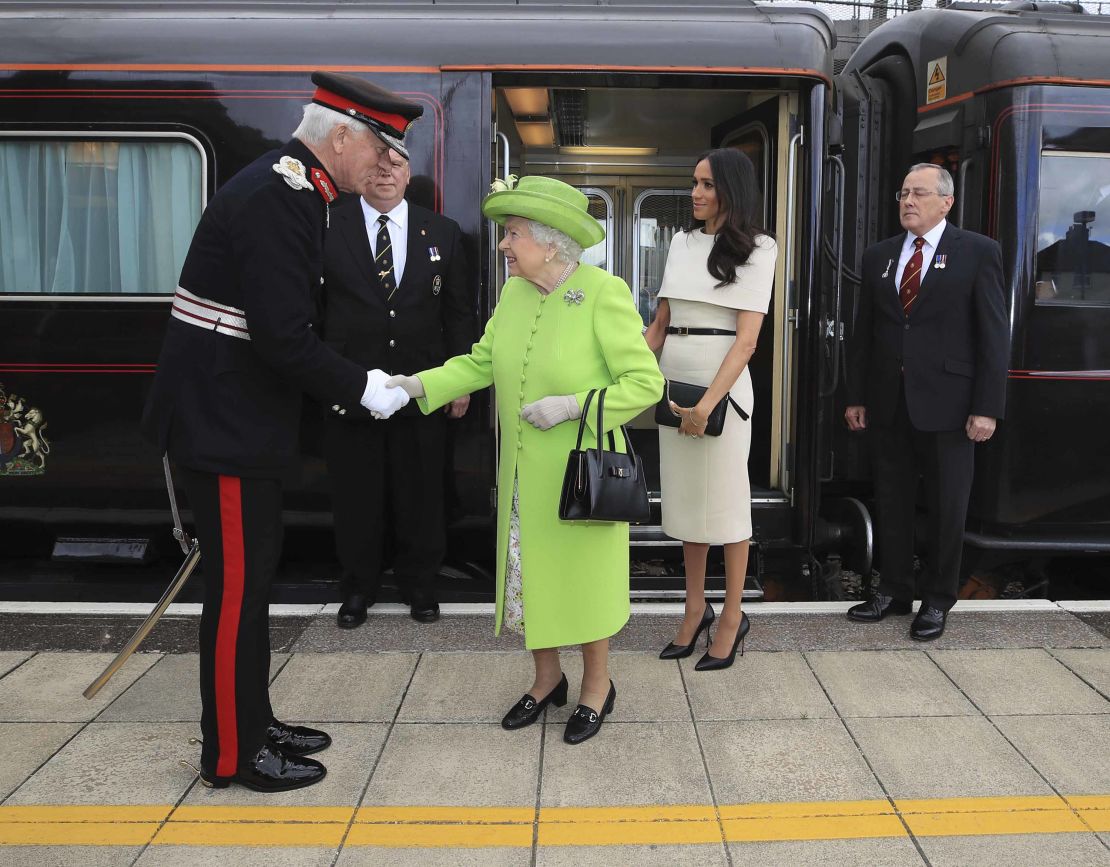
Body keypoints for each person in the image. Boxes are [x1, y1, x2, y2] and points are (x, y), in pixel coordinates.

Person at [141, 73, 422, 792]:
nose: (385, 166)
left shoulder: (297, 192)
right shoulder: (281, 197)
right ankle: (232, 755)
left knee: (253, 585)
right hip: (226, 428)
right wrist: (367, 388)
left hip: (241, 425)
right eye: (378, 148)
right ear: (340, 136)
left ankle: (256, 720)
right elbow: (282, 336)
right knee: (237, 593)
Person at [386, 177, 663, 744]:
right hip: (519, 474)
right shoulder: (513, 294)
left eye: (512, 234)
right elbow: (482, 360)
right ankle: (545, 681)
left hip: (581, 475)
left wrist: (570, 406)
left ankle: (597, 687)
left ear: (551, 241)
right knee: (527, 578)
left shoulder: (602, 292)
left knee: (584, 583)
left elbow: (646, 384)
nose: (504, 245)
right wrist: (415, 385)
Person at [844, 162, 1008, 641]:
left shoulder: (977, 252)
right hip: (889, 402)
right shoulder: (880, 256)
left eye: (918, 193)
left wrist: (987, 406)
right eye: (903, 193)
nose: (908, 201)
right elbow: (865, 334)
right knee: (891, 499)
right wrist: (856, 395)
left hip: (953, 405)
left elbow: (994, 336)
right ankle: (894, 590)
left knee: (947, 505)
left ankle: (937, 600)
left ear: (946, 202)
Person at [321, 150, 477, 627]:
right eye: (376, 163)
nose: (385, 172)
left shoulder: (443, 232)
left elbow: (458, 313)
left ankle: (420, 585)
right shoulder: (329, 226)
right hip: (350, 386)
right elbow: (314, 307)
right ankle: (358, 588)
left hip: (422, 387)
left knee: (422, 491)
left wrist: (459, 382)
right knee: (356, 494)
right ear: (358, 174)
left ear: (409, 174)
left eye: (395, 164)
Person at [644, 149, 777, 671]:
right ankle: (694, 608)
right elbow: (657, 329)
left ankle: (732, 618)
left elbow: (746, 343)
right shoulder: (679, 243)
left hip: (721, 387)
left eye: (706, 185)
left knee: (726, 508)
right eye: (693, 182)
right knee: (684, 508)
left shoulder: (759, 248)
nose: (695, 193)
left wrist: (705, 405)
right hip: (675, 381)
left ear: (730, 190)